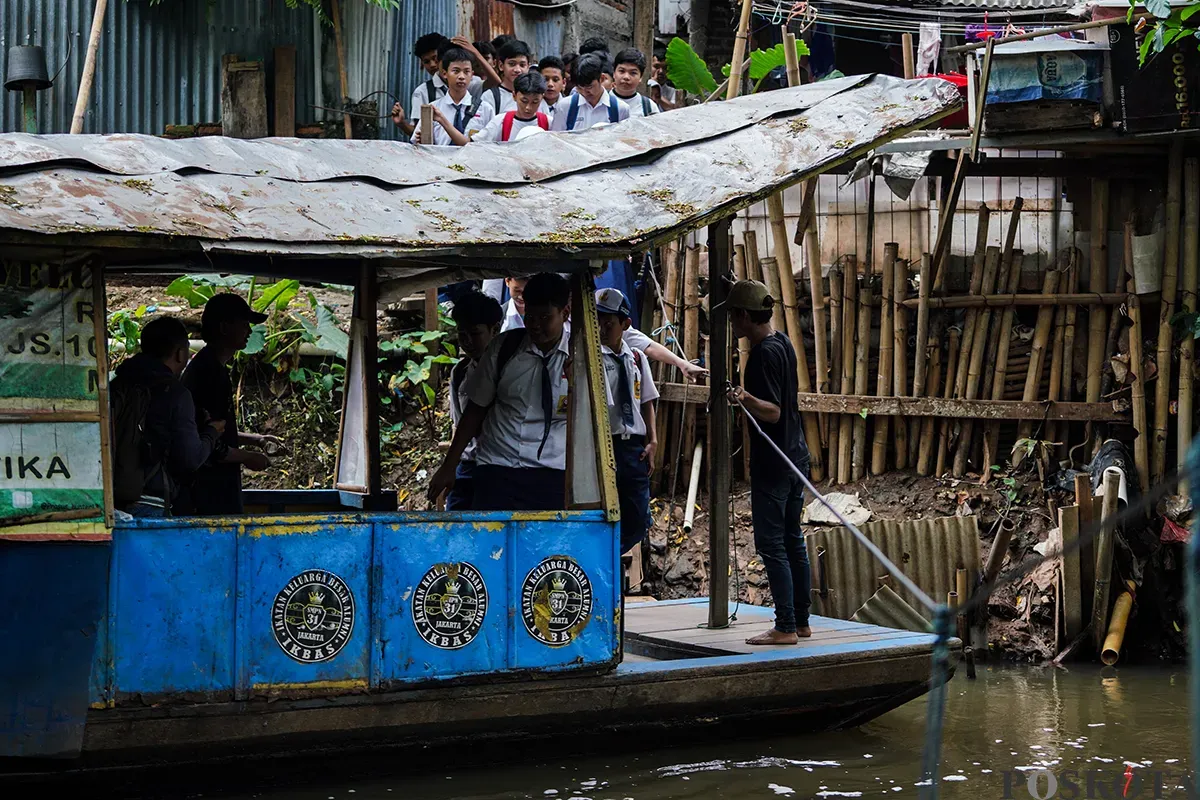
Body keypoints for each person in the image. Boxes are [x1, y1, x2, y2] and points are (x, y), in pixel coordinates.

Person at [427, 273, 572, 511]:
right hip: (498, 468)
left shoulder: (582, 358)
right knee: (490, 544)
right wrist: (449, 465)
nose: (535, 325)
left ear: (564, 314)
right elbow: (474, 411)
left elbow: (596, 420)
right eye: (530, 316)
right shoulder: (504, 349)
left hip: (551, 472)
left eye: (545, 317)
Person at [724, 280, 813, 645]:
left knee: (773, 545)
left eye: (732, 316)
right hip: (796, 457)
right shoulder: (784, 343)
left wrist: (743, 397)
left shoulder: (761, 354)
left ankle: (785, 627)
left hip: (775, 464)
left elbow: (773, 412)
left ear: (744, 316)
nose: (731, 322)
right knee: (794, 541)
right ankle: (802, 622)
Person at [109, 317, 225, 517]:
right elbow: (190, 459)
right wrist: (211, 433)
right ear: (180, 353)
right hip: (149, 503)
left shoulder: (117, 384)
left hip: (111, 498)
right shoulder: (176, 393)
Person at [181, 294, 281, 515]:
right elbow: (211, 445)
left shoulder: (207, 366)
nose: (250, 331)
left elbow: (212, 429)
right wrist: (248, 457)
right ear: (225, 327)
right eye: (244, 324)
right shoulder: (210, 374)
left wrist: (256, 440)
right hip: (210, 490)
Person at [596, 289, 658, 554]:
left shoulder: (636, 357)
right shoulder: (592, 358)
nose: (602, 328)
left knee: (637, 513)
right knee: (601, 511)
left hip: (632, 446)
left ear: (625, 324)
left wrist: (652, 440)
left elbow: (646, 400)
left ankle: (616, 553)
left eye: (609, 323)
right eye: (597, 320)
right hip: (602, 444)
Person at [444, 291, 504, 510]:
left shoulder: (509, 371)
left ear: (494, 329)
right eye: (462, 334)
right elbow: (458, 423)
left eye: (475, 333)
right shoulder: (459, 372)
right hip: (467, 464)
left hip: (499, 466)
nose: (467, 341)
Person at [391, 33, 495, 138]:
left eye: (435, 59)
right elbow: (420, 133)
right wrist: (402, 124)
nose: (432, 65)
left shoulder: (481, 102)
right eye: (427, 61)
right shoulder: (424, 93)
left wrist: (475, 53)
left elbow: (495, 83)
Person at [466, 39, 542, 137]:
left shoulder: (538, 96)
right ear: (501, 66)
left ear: (528, 67)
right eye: (512, 64)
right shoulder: (490, 97)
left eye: (522, 65)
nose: (517, 70)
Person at [407, 45, 476, 146]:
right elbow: (417, 144)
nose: (461, 76)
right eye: (456, 71)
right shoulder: (432, 109)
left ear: (472, 75)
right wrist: (421, 143)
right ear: (444, 73)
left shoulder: (484, 109)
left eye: (466, 72)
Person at [552, 53, 629, 132]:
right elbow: (557, 140)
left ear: (602, 78)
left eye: (589, 87)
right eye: (579, 88)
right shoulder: (565, 106)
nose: (585, 92)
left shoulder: (620, 109)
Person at [472, 72, 550, 143]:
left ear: (542, 98)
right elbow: (475, 144)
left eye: (535, 102)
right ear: (514, 96)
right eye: (524, 101)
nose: (528, 107)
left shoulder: (549, 123)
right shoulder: (500, 122)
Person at [611, 48, 660, 117]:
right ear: (614, 73)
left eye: (633, 73)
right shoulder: (601, 102)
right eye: (622, 71)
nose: (626, 77)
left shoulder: (649, 108)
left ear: (641, 77)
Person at [649, 45, 681, 111]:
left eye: (665, 68)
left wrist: (657, 93)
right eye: (656, 67)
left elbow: (673, 110)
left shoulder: (672, 92)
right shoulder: (641, 87)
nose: (661, 71)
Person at [538, 55, 569, 121]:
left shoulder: (570, 107)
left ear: (563, 83)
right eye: (545, 79)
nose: (550, 84)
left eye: (555, 80)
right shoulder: (531, 107)